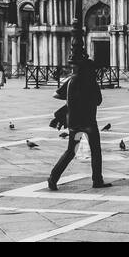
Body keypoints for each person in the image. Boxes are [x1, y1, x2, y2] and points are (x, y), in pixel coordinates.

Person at [47, 61, 111, 191]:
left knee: (71, 151)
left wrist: (71, 98)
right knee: (95, 151)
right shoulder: (91, 81)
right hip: (89, 122)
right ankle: (97, 180)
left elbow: (56, 94)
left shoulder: (72, 80)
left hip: (74, 122)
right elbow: (98, 101)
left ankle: (53, 178)